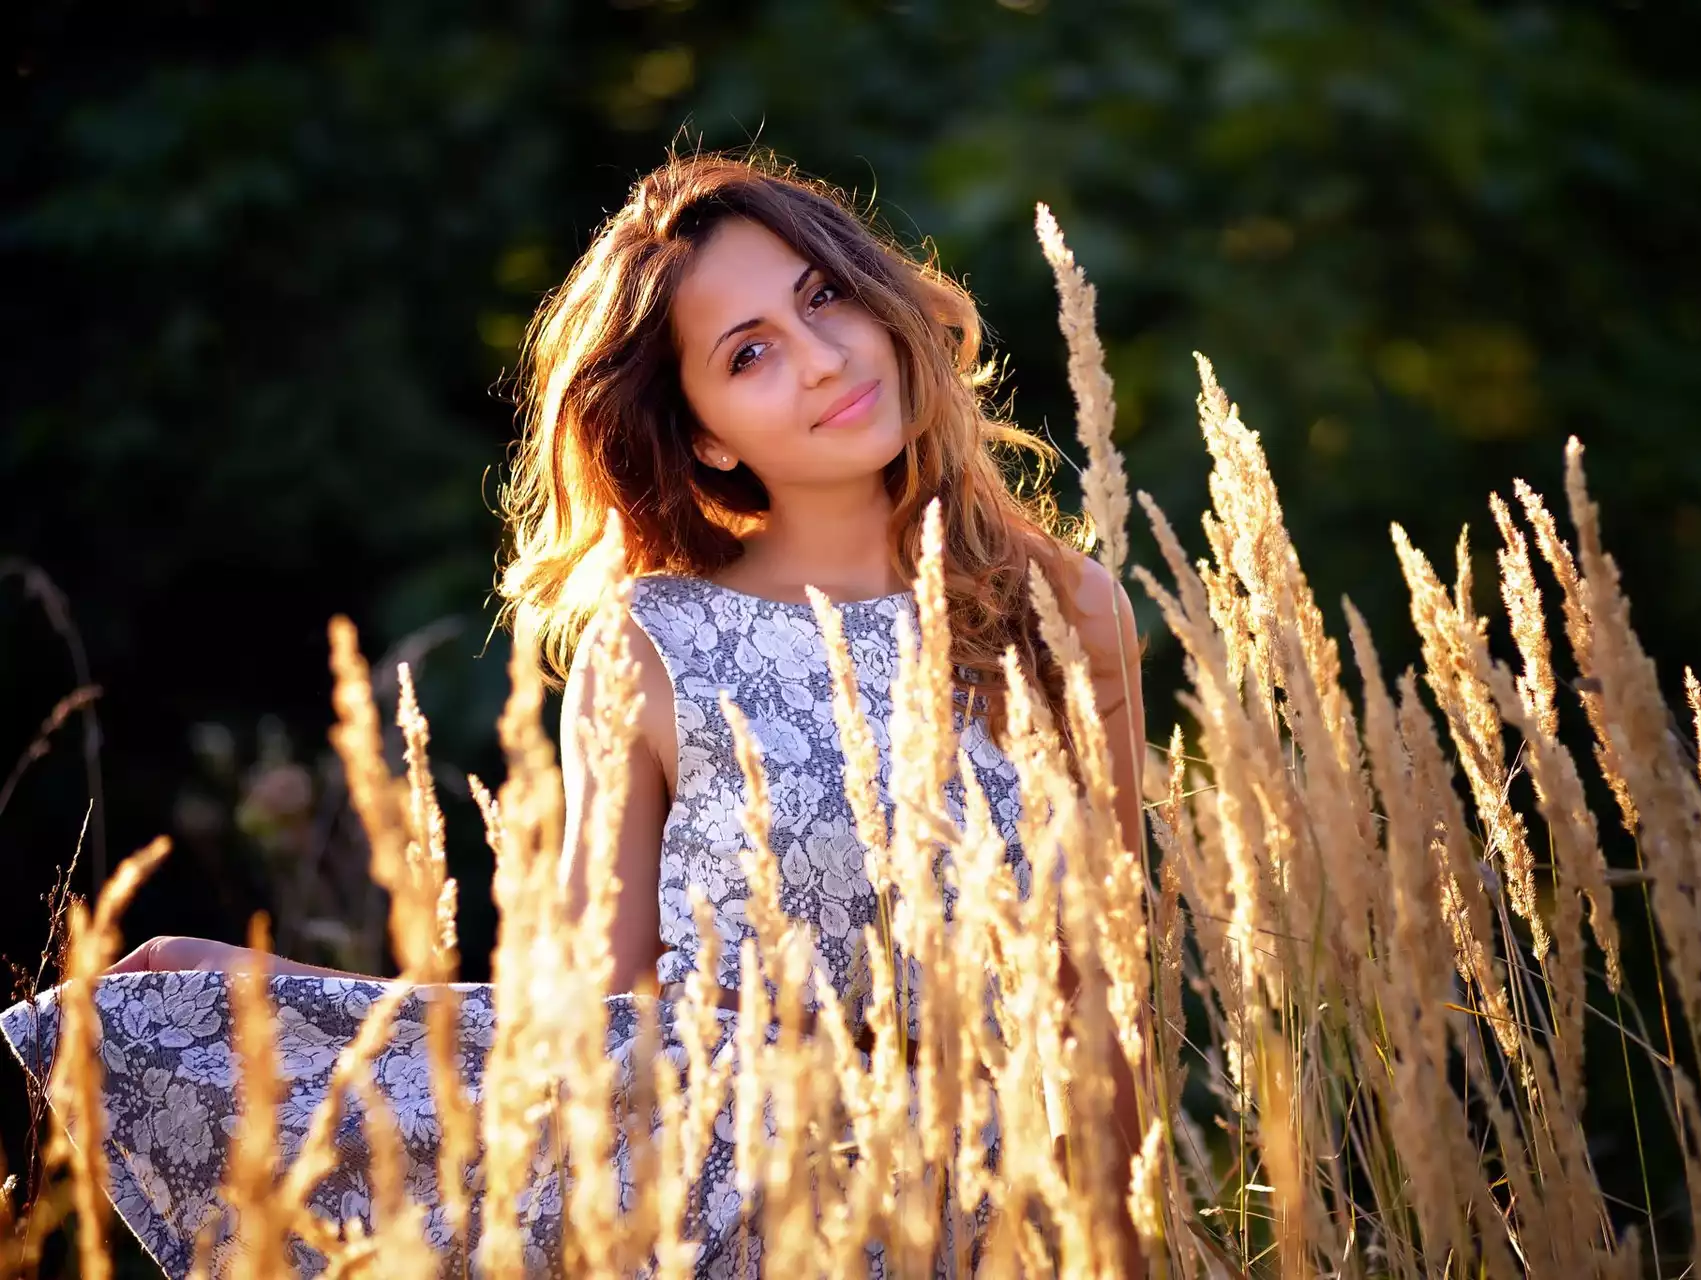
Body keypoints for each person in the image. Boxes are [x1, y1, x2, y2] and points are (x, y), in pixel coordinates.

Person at [8, 149, 1148, 1276]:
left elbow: (1110, 990)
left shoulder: (1064, 610)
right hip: (741, 1213)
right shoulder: (649, 645)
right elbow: (591, 1023)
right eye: (749, 353)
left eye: (826, 297)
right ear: (705, 432)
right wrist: (299, 1009)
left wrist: (1130, 1251)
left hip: (998, 1210)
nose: (820, 359)